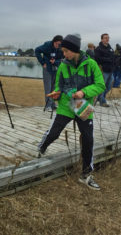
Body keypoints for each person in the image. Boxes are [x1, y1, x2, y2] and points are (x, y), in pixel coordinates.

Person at [37, 34, 103, 191]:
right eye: (63, 51)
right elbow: (59, 85)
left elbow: (100, 85)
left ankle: (86, 175)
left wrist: (84, 92)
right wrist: (56, 93)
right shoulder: (63, 65)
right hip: (66, 105)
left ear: (74, 50)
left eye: (66, 51)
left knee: (88, 139)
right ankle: (41, 148)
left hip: (83, 106)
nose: (64, 54)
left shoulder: (91, 64)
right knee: (53, 133)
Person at [34, 35, 64, 110]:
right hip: (47, 69)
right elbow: (37, 50)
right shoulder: (47, 45)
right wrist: (42, 62)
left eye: (59, 44)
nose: (58, 46)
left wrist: (55, 61)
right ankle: (48, 106)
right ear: (54, 42)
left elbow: (61, 59)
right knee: (48, 87)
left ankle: (53, 105)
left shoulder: (60, 48)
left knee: (54, 87)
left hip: (55, 69)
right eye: (57, 44)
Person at [92, 33, 115, 106]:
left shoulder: (111, 48)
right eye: (105, 38)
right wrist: (108, 59)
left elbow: (113, 58)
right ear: (102, 39)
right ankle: (102, 101)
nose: (107, 39)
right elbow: (97, 59)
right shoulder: (98, 49)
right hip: (103, 70)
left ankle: (100, 97)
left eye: (108, 38)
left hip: (110, 70)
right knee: (102, 86)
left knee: (109, 86)